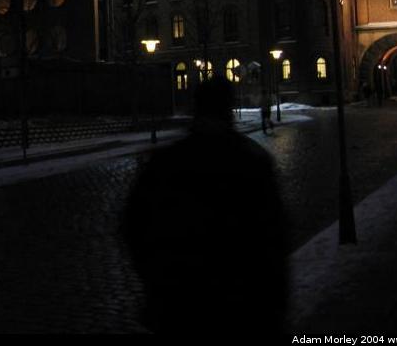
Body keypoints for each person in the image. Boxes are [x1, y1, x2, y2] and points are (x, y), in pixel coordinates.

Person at [121, 77, 288, 337]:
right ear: (229, 110)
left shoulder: (166, 162)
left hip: (181, 308)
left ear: (195, 110)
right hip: (242, 308)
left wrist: (158, 283)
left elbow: (134, 226)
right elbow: (275, 237)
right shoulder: (251, 161)